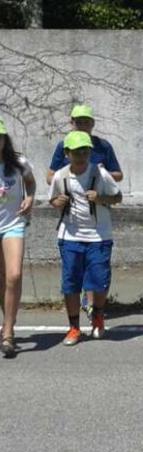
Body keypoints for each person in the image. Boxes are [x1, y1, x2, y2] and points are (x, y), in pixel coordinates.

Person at [46, 105, 123, 324]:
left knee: (98, 278)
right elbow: (50, 180)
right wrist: (60, 197)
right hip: (70, 230)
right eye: (78, 121)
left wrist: (99, 190)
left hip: (98, 230)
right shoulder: (62, 155)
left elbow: (118, 181)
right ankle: (76, 322)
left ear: (92, 123)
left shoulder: (102, 149)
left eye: (86, 121)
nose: (82, 125)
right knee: (71, 280)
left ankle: (94, 309)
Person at [0, 118, 36, 358]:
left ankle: (9, 332)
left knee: (14, 274)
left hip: (13, 225)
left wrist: (30, 198)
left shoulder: (19, 163)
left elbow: (31, 184)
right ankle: (6, 323)